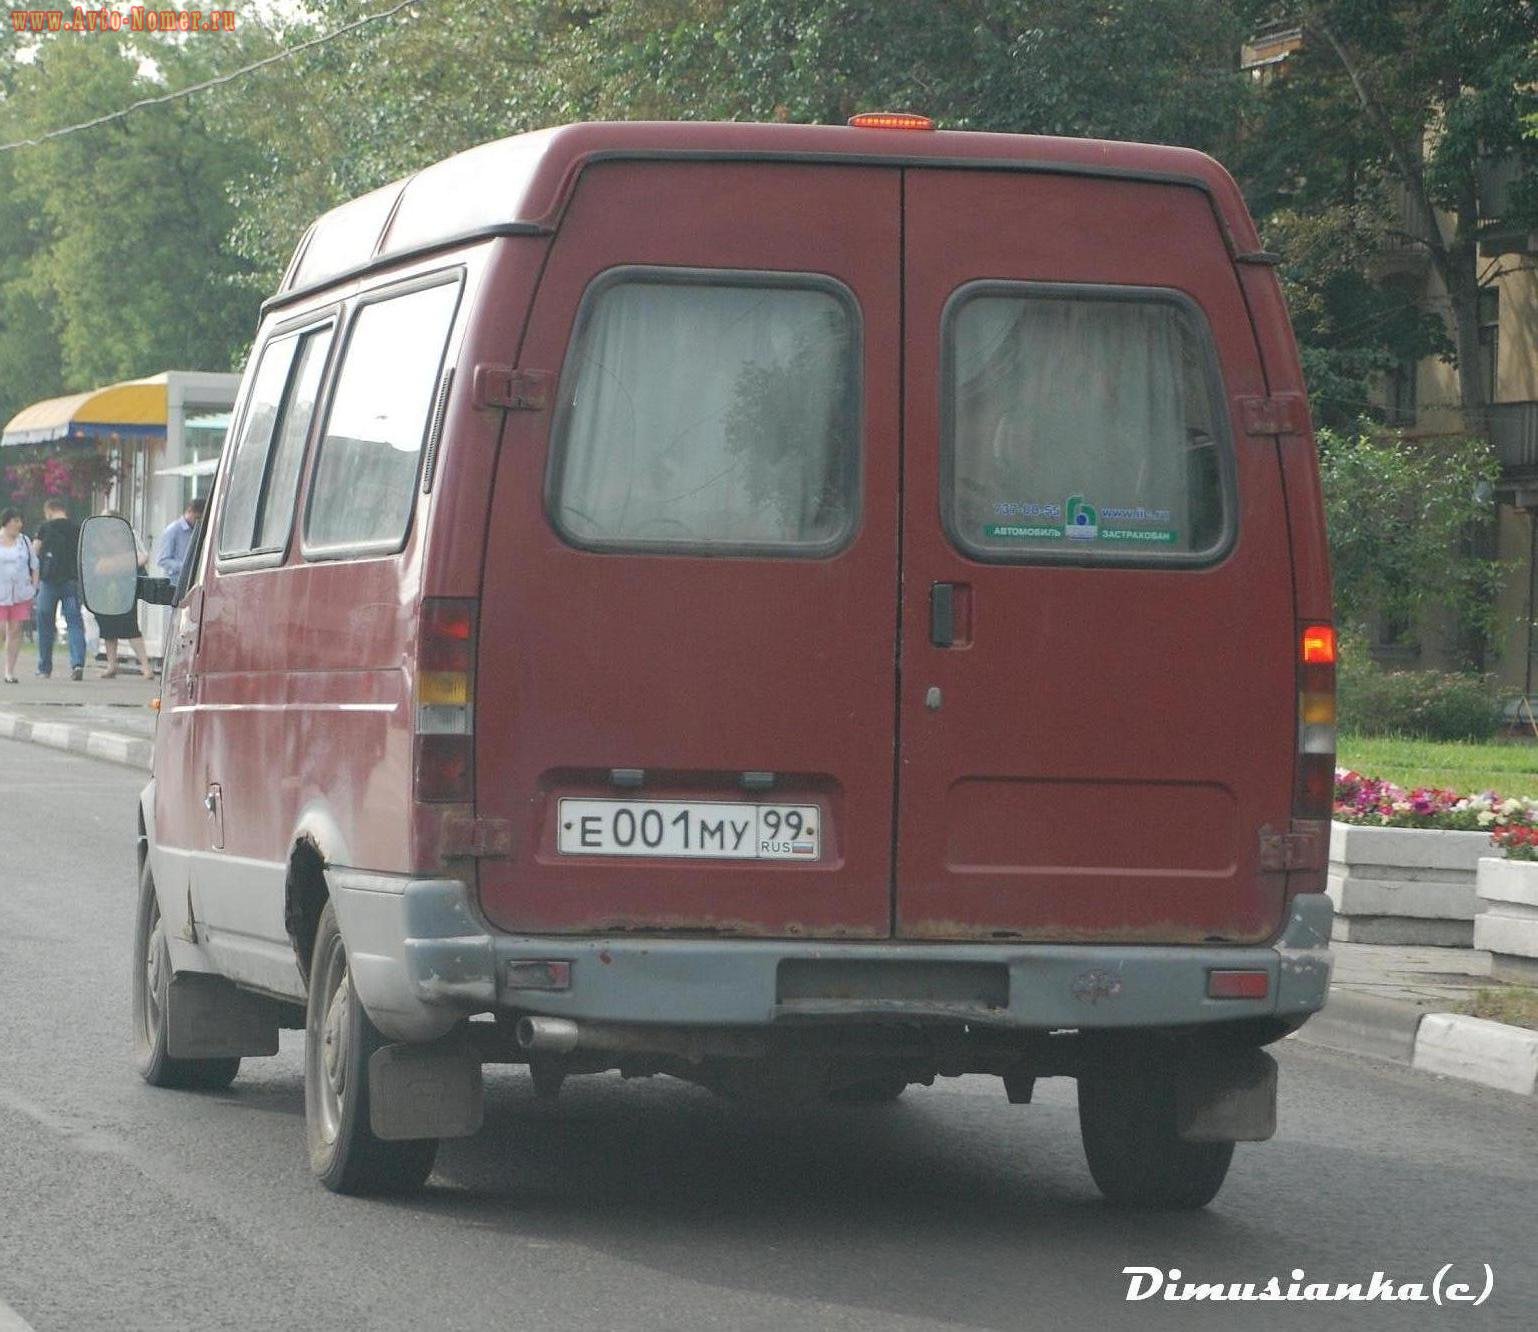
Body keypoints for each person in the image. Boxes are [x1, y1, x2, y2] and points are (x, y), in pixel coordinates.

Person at [32, 495, 87, 681]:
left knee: (45, 625)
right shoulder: (77, 529)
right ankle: (77, 663)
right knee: (74, 624)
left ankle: (44, 667)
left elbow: (35, 552)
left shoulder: (44, 528)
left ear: (49, 511)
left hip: (48, 582)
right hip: (71, 581)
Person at [95, 514, 154, 679]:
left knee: (130, 624)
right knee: (107, 624)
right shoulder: (99, 537)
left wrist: (117, 563)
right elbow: (97, 563)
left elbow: (143, 556)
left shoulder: (129, 533)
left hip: (126, 583)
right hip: (104, 584)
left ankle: (145, 667)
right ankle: (112, 664)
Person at [0, 508, 39, 684]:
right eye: (15, 521)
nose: (19, 524)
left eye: (20, 521)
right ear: (6, 522)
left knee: (15, 630)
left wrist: (34, 587)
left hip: (20, 592)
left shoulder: (24, 541)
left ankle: (9, 671)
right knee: (1, 630)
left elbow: (34, 564)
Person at [153, 495, 206, 587]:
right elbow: (162, 560)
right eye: (197, 518)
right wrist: (186, 567)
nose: (199, 522)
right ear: (189, 511)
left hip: (194, 582)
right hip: (176, 583)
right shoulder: (173, 530)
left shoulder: (198, 530)